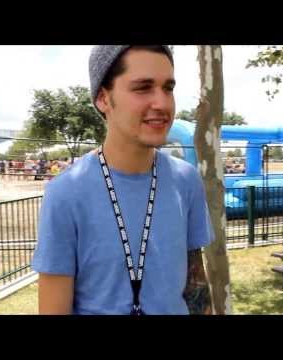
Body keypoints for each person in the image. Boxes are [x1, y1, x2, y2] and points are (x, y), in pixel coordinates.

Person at [32, 45, 214, 315]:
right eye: (143, 88)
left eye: (168, 88)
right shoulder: (66, 192)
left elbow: (195, 286)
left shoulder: (185, 180)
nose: (162, 104)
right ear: (103, 99)